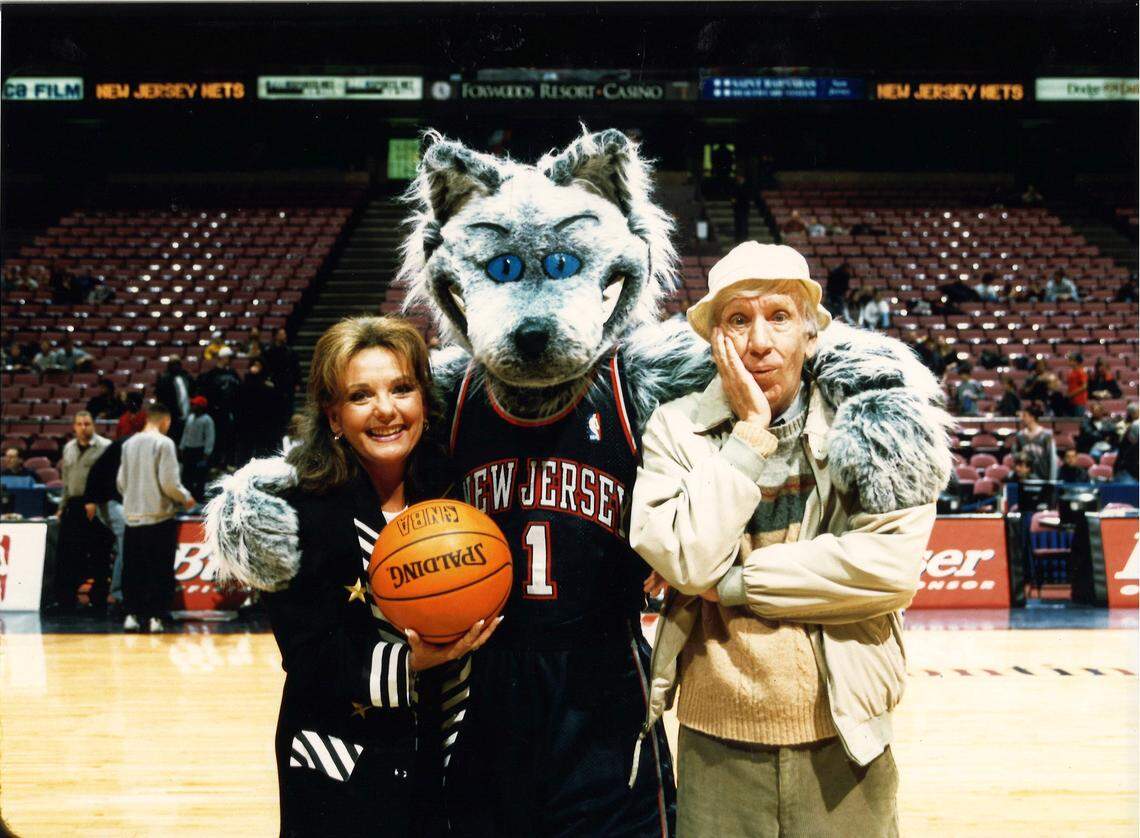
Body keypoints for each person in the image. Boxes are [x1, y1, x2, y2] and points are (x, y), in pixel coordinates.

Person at [630, 242, 949, 837]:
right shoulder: (674, 425)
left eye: (778, 316)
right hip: (715, 739)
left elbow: (890, 569)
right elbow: (688, 561)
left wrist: (734, 584)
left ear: (810, 332)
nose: (758, 341)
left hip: (846, 733)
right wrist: (749, 436)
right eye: (738, 320)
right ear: (713, 339)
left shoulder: (875, 421)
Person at [209, 316, 498, 837]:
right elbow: (308, 655)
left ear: (424, 403)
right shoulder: (290, 511)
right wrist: (414, 661)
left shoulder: (458, 488)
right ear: (334, 417)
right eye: (361, 396)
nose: (386, 410)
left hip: (448, 759)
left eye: (402, 389)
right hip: (341, 763)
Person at [117, 402, 196, 633]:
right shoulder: (165, 443)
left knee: (133, 569)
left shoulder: (128, 443)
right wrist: (185, 497)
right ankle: (155, 617)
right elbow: (169, 482)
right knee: (159, 570)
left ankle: (131, 615)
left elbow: (121, 482)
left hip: (132, 517)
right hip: (159, 518)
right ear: (165, 421)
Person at [53, 412, 112, 611]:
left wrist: (95, 499)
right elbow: (66, 482)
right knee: (69, 555)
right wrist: (61, 507)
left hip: (97, 506)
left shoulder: (105, 446)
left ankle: (99, 599)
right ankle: (66, 600)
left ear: (93, 425)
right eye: (79, 424)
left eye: (87, 423)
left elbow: (109, 479)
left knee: (99, 554)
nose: (83, 427)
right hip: (74, 504)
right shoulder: (68, 448)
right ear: (74, 426)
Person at [81, 436, 128, 607]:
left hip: (114, 502)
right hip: (106, 502)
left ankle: (117, 591)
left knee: (124, 545)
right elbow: (96, 471)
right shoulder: (121, 446)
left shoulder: (130, 445)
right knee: (127, 542)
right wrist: (90, 500)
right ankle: (118, 592)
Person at [197, 346, 241, 468]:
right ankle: (215, 464)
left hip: (231, 410)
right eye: (228, 357)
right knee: (216, 439)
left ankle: (228, 462)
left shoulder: (233, 373)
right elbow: (207, 393)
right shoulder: (211, 374)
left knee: (230, 438)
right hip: (216, 412)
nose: (229, 360)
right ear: (222, 358)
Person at [236, 357, 279, 466]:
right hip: (248, 420)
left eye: (258, 365)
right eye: (254, 365)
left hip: (262, 422)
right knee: (245, 449)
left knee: (261, 450)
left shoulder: (268, 385)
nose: (255, 367)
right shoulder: (246, 382)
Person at [263, 327, 303, 433]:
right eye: (281, 334)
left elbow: (296, 368)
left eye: (284, 334)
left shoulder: (290, 352)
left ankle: (288, 432)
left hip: (288, 385)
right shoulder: (269, 352)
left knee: (288, 410)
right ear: (275, 336)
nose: (284, 336)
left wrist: (298, 382)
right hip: (275, 385)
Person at [179, 396, 215, 503]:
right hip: (189, 449)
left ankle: (199, 496)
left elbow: (210, 437)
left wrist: (207, 453)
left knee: (200, 476)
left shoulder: (207, 420)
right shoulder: (190, 418)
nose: (192, 406)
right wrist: (181, 447)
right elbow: (185, 433)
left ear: (201, 407)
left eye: (195, 405)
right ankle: (189, 496)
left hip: (199, 450)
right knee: (187, 475)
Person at [1010, 405, 1058, 481]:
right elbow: (1014, 455)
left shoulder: (1046, 435)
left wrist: (1052, 480)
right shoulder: (1020, 436)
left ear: (1032, 417)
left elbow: (1052, 458)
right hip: (1024, 479)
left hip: (1043, 479)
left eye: (1025, 416)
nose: (1022, 418)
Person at [155, 356, 194, 443]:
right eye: (173, 364)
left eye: (177, 364)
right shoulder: (164, 380)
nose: (175, 366)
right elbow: (161, 400)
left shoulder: (186, 377)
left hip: (188, 416)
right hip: (172, 417)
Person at [1065, 352, 1089, 416]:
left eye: (1071, 360)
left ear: (1076, 362)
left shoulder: (1081, 372)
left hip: (1079, 401)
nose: (1068, 362)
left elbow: (1084, 386)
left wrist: (1072, 394)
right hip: (1072, 400)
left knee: (1078, 421)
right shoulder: (1072, 372)